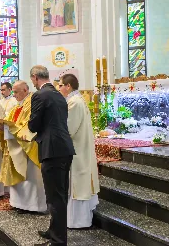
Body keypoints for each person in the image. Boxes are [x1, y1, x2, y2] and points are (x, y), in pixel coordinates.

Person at [28, 65, 75, 245]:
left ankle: (58, 240)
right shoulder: (59, 94)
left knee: (55, 197)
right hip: (64, 149)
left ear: (34, 77)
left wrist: (31, 123)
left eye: (32, 80)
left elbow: (34, 125)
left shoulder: (39, 95)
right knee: (60, 195)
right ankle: (54, 231)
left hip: (52, 150)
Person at [58, 74, 100, 229]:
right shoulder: (77, 100)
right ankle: (75, 220)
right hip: (78, 148)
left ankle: (78, 221)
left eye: (61, 85)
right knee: (77, 184)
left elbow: (68, 129)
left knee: (77, 184)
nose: (59, 88)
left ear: (68, 86)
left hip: (77, 150)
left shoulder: (74, 103)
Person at [0, 81, 47, 213]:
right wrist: (2, 126)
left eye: (16, 92)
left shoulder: (31, 104)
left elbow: (30, 125)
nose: (13, 95)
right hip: (16, 144)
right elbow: (10, 121)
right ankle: (19, 203)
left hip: (28, 146)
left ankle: (32, 206)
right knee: (19, 176)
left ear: (25, 90)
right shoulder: (16, 107)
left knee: (30, 177)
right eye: (13, 92)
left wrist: (10, 128)